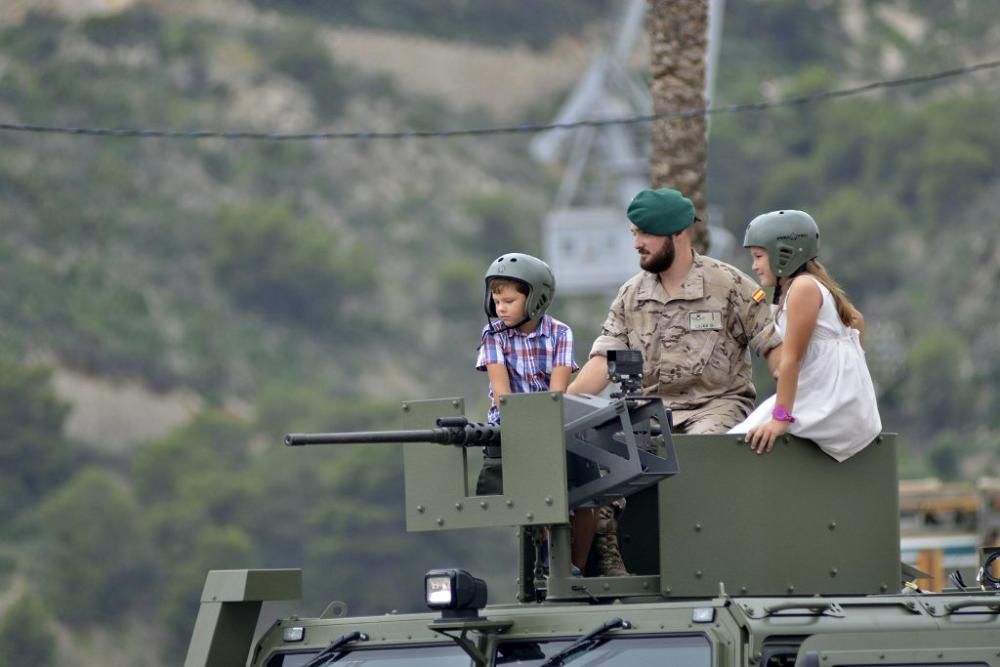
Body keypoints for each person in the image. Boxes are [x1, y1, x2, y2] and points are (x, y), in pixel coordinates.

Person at [567, 187, 782, 575]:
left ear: (677, 234)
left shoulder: (729, 285)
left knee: (698, 456)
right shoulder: (631, 296)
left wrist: (787, 409)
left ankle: (701, 568)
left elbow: (776, 351)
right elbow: (603, 360)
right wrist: (562, 407)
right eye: (634, 233)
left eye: (645, 233)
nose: (637, 244)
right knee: (597, 459)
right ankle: (611, 564)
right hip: (651, 413)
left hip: (717, 405)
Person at [729, 209, 881, 461]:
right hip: (845, 403)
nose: (754, 265)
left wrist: (780, 419)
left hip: (827, 405)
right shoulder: (813, 284)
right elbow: (856, 322)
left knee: (737, 442)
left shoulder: (802, 287)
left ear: (782, 254)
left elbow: (791, 360)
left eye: (758, 256)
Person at [476, 252, 594, 573]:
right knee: (535, 499)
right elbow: (502, 393)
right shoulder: (493, 336)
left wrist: (545, 426)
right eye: (497, 300)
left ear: (536, 299)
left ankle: (575, 568)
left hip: (552, 421)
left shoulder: (560, 334)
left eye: (510, 301)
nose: (501, 308)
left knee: (586, 499)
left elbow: (557, 390)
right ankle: (549, 559)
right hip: (512, 427)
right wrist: (525, 428)